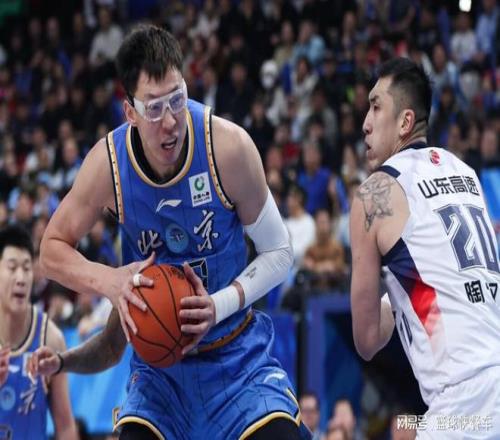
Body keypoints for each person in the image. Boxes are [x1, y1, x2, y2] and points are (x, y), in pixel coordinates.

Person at [36, 24, 309, 440]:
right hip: (159, 377)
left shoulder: (228, 147)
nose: (170, 121)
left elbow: (279, 252)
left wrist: (217, 304)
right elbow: (51, 251)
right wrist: (110, 280)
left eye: (177, 99)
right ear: (130, 112)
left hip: (236, 357)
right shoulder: (108, 165)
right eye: (154, 108)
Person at [350, 57, 500, 438]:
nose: (365, 122)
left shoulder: (375, 193)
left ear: (405, 122)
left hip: (464, 405)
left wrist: (396, 299)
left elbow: (366, 340)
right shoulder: (465, 173)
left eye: (376, 106)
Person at [0, 225, 77, 439]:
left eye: (26, 268)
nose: (21, 278)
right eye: (12, 267)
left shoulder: (50, 338)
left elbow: (65, 427)